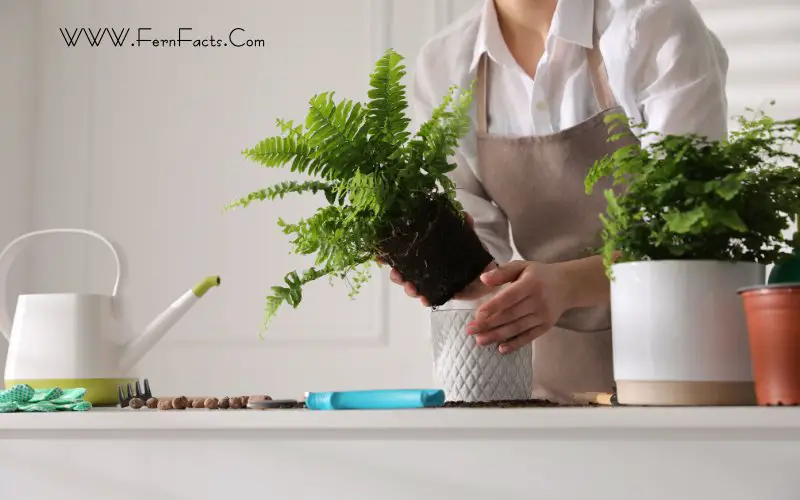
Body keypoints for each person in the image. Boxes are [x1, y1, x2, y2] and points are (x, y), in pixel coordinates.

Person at [389, 0, 729, 402]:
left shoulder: (649, 23)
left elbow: (691, 227)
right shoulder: (444, 66)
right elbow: (484, 266)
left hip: (680, 365)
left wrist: (567, 285)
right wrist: (442, 265)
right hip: (548, 388)